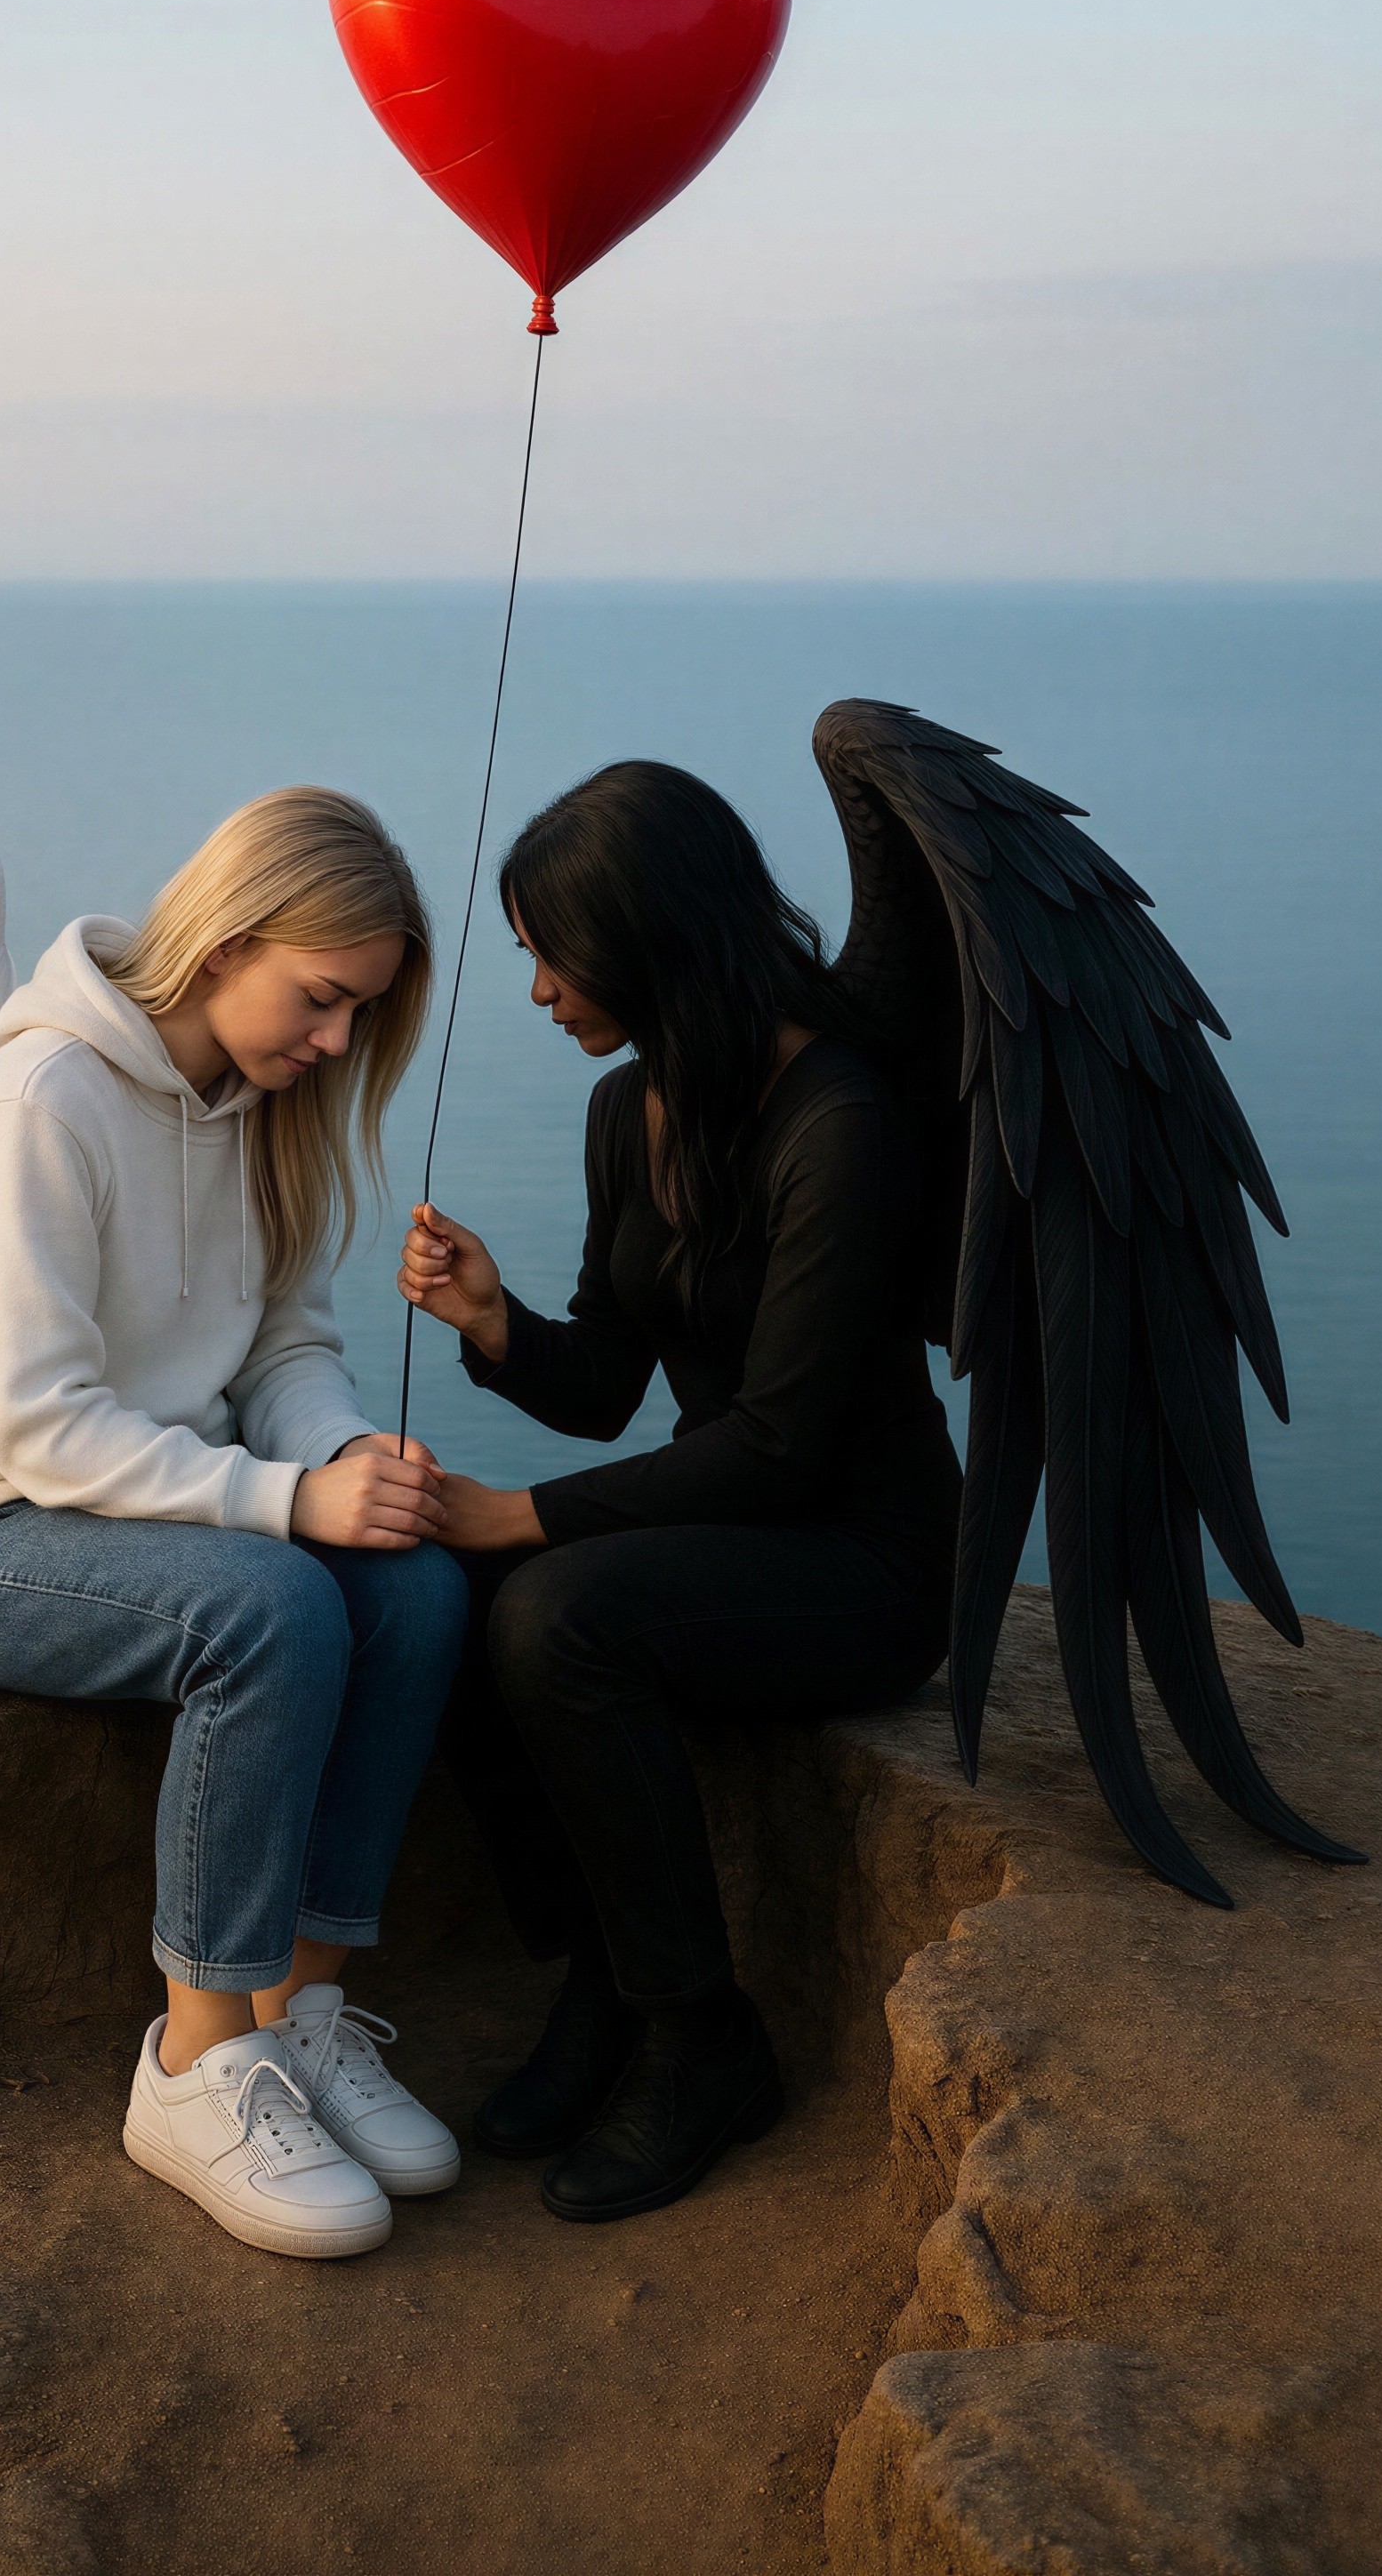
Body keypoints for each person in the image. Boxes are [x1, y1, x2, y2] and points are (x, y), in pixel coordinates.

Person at [0, 787, 470, 2261]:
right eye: (323, 1000)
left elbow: (283, 1354)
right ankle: (197, 2060)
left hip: (152, 1515)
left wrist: (346, 1457)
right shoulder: (40, 1105)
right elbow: (39, 1426)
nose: (334, 1044)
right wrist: (281, 1502)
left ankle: (301, 2010)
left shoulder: (267, 1114)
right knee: (270, 1610)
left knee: (415, 1592)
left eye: (358, 1016)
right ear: (227, 941)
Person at [398, 761, 961, 2225]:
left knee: (554, 1611)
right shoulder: (631, 1110)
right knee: (441, 1588)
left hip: (866, 1562)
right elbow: (606, 1388)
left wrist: (521, 1515)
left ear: (648, 935)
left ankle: (707, 2041)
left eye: (548, 951)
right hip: (740, 1529)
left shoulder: (839, 1117)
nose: (533, 991)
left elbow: (780, 1437)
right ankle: (605, 1979)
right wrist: (492, 1319)